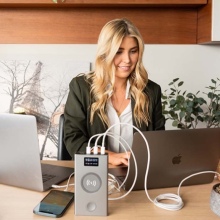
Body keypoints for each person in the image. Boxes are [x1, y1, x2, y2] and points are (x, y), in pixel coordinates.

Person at [64, 18, 165, 166]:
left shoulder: (151, 91)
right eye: (119, 52)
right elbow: (73, 139)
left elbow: (158, 141)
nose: (127, 60)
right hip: (94, 172)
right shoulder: (81, 87)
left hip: (138, 175)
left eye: (133, 51)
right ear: (106, 53)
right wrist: (109, 156)